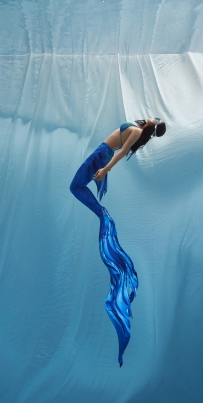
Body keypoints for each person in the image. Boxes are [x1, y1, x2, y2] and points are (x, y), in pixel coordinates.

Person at [70, 118, 167, 366]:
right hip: (103, 153)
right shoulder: (137, 127)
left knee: (75, 186)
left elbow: (122, 151)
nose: (150, 118)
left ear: (151, 125)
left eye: (153, 120)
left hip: (102, 154)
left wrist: (105, 170)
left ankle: (102, 214)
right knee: (79, 185)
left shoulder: (135, 131)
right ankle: (101, 212)